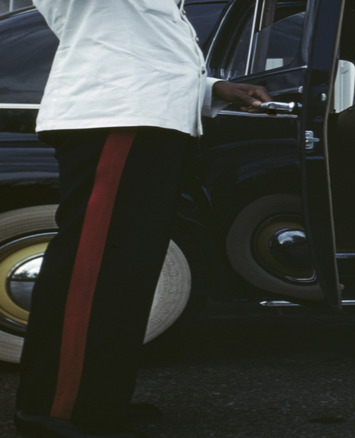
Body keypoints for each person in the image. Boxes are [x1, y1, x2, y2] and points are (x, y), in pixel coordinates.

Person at [14, 1, 271, 437]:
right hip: (115, 118)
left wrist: (212, 89)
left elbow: (147, 52)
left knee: (126, 274)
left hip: (155, 122)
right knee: (91, 271)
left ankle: (96, 401)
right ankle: (54, 408)